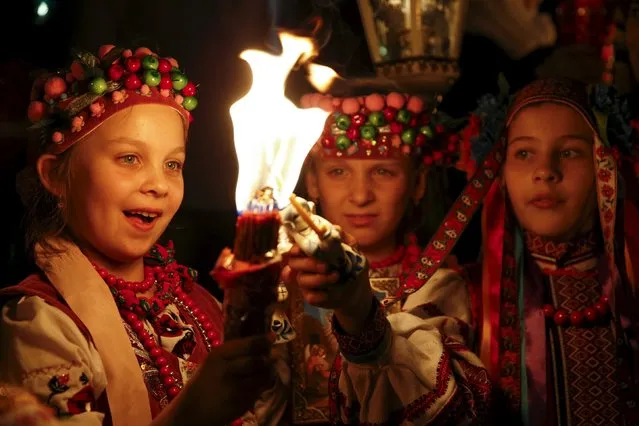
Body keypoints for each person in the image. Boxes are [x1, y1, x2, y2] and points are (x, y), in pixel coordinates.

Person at [0, 45, 279, 426]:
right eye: (129, 159)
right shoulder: (41, 324)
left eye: (172, 164)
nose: (158, 185)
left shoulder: (198, 300)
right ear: (54, 177)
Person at [401, 77, 639, 425]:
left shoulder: (631, 288)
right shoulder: (461, 301)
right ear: (500, 171)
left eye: (570, 151)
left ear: (605, 165)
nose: (545, 172)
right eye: (524, 153)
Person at [284, 92, 491, 424]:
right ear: (312, 182)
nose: (361, 195)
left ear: (417, 183)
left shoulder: (445, 288)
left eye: (383, 171)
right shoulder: (279, 284)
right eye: (338, 171)